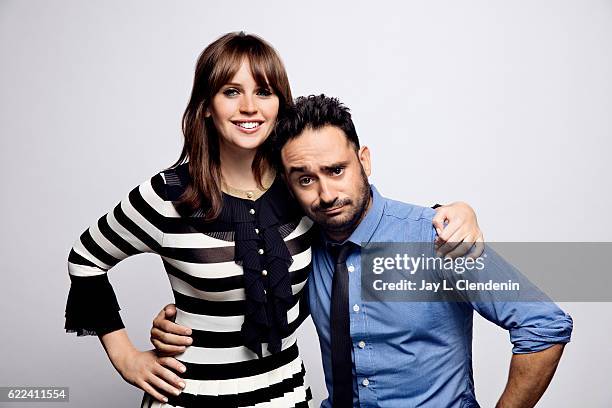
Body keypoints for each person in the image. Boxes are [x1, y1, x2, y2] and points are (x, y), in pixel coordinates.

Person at [64, 32, 483, 408]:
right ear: (207, 106)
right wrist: (126, 357)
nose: (249, 107)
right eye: (231, 91)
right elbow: (85, 259)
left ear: (280, 103)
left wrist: (455, 212)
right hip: (191, 396)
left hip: (285, 395)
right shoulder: (168, 195)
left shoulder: (299, 186)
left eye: (263, 91)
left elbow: (369, 216)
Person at [152, 95, 573, 408]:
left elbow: (544, 324)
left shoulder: (435, 239)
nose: (326, 193)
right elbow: (250, 305)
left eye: (337, 170)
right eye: (304, 179)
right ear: (286, 182)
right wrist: (178, 322)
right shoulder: (297, 247)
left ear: (364, 161)